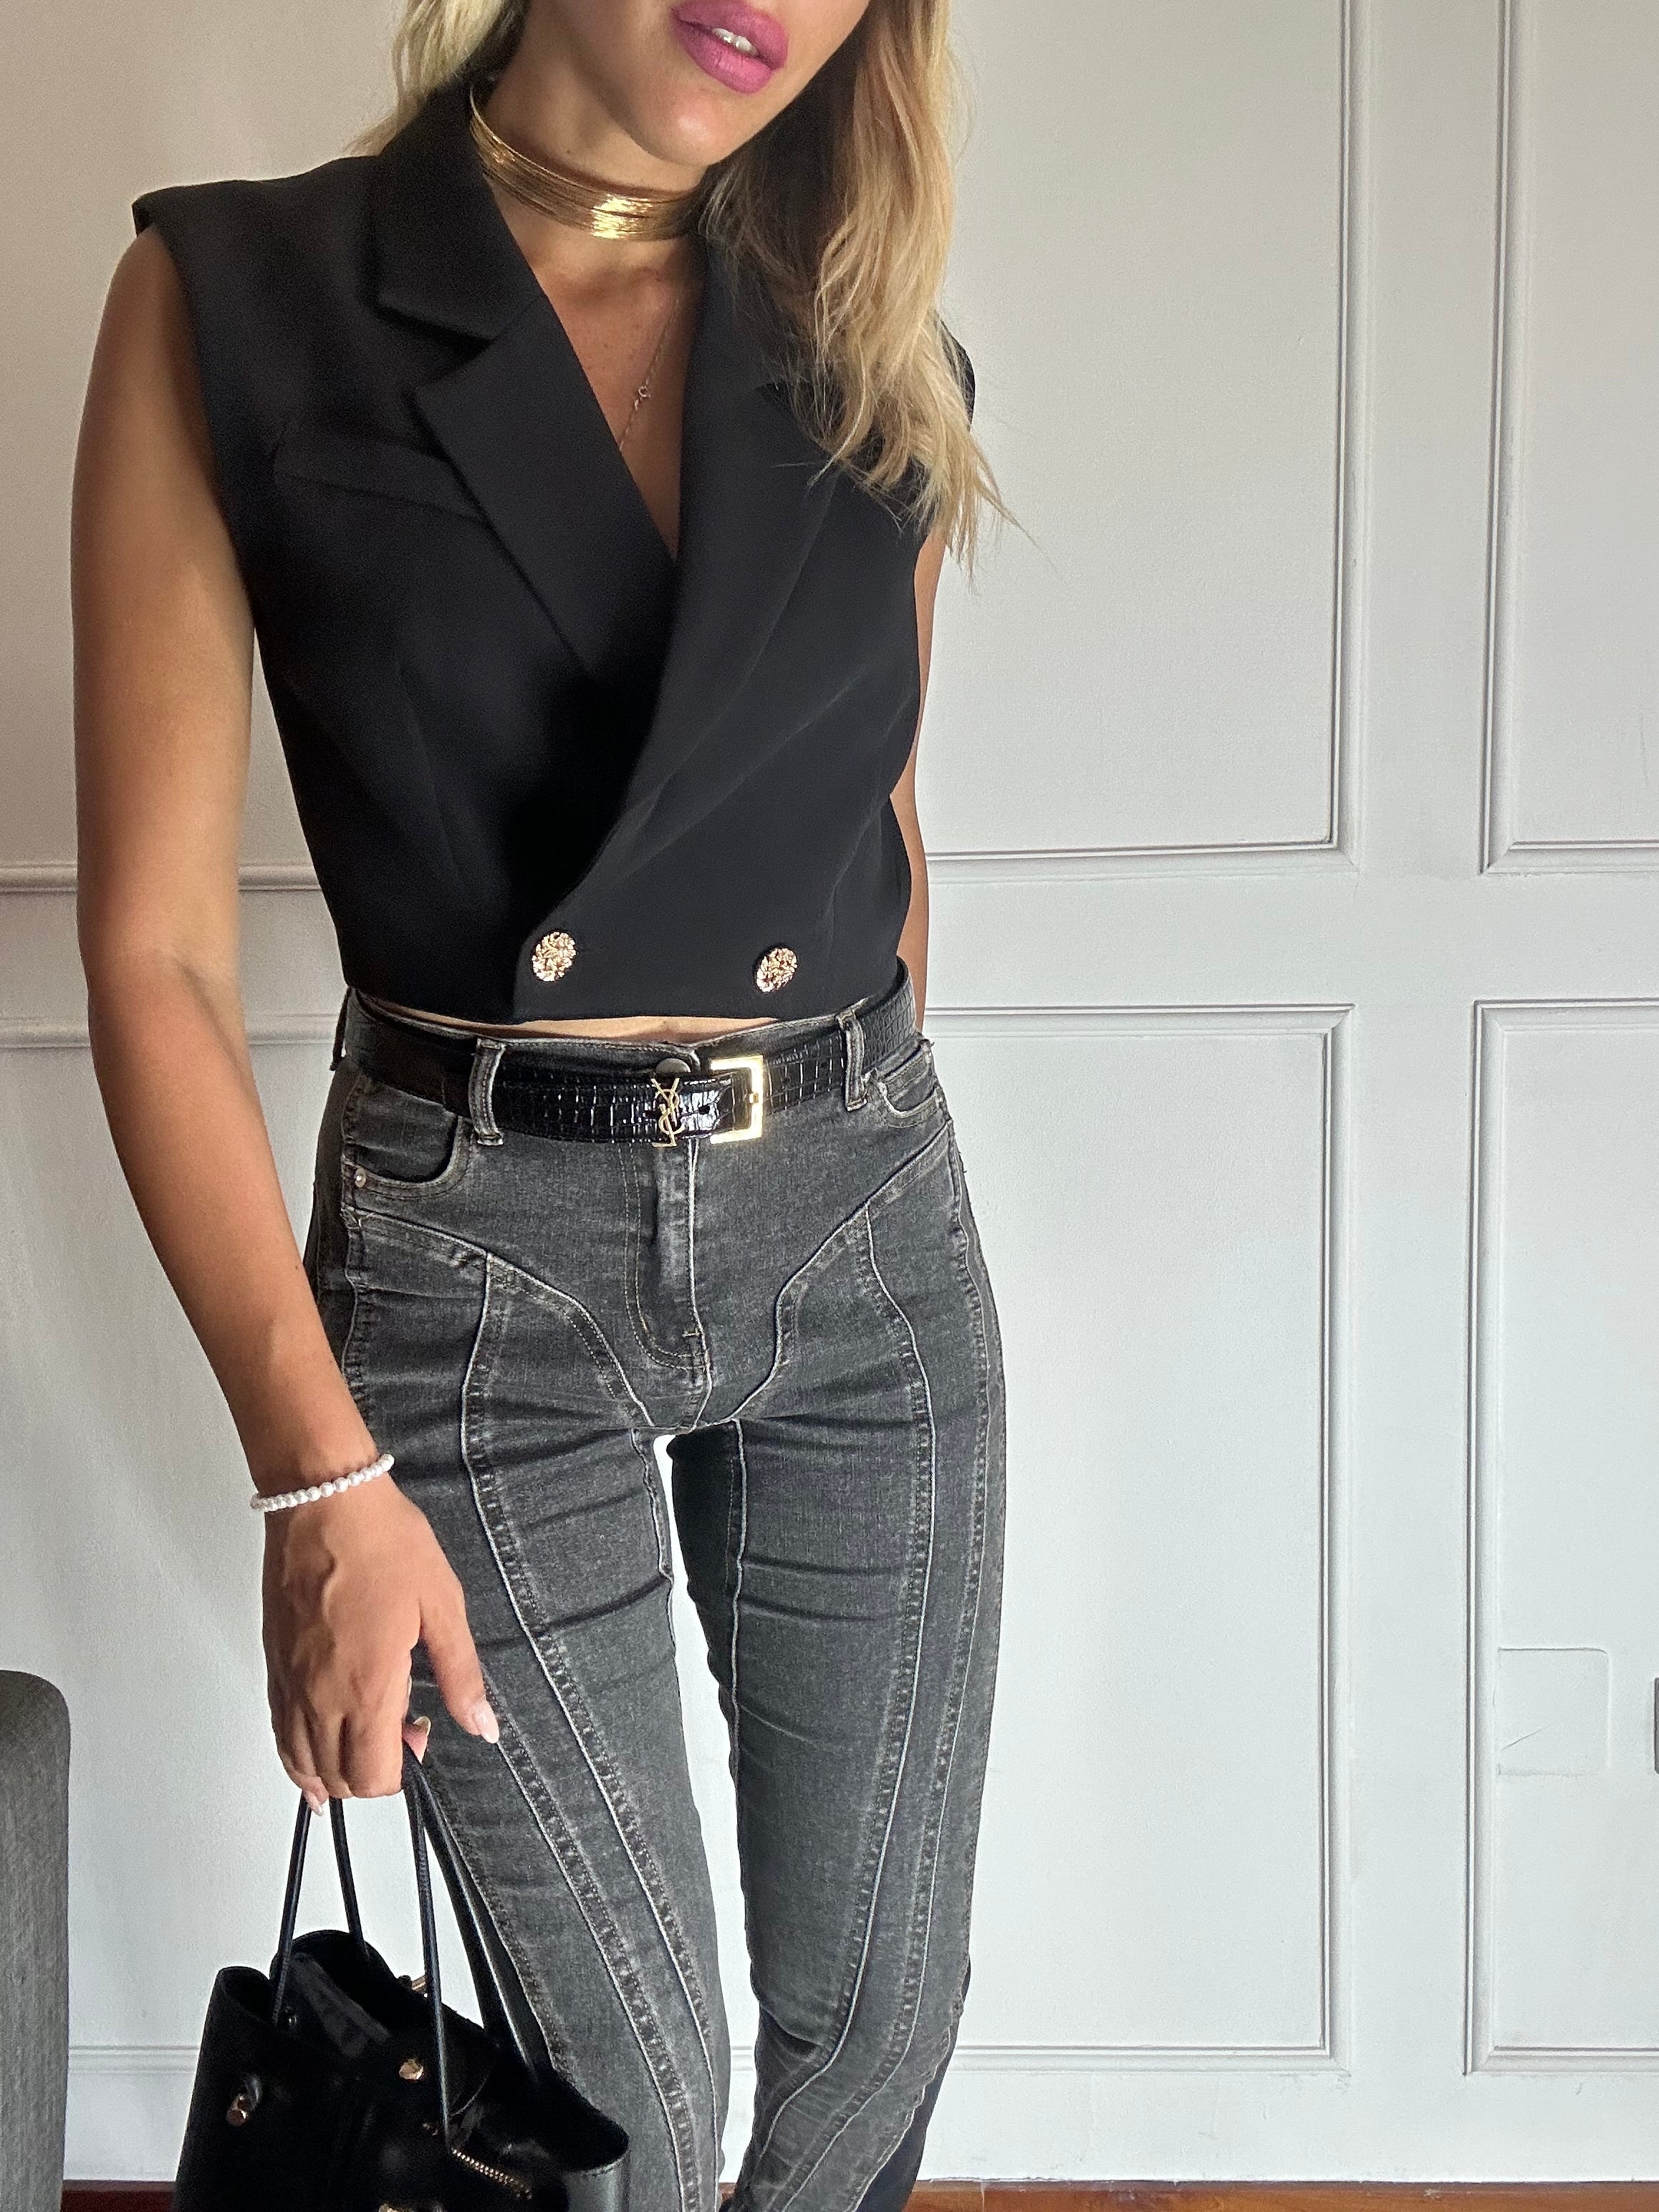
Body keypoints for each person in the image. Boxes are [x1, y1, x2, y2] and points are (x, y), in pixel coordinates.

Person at [72, 3, 1009, 2206]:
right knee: (628, 2111)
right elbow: (157, 960)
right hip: (478, 1275)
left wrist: (846, 1131)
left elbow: (871, 824)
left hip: (856, 1229)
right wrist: (317, 1483)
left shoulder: (877, 348)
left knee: (881, 2022)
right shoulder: (238, 299)